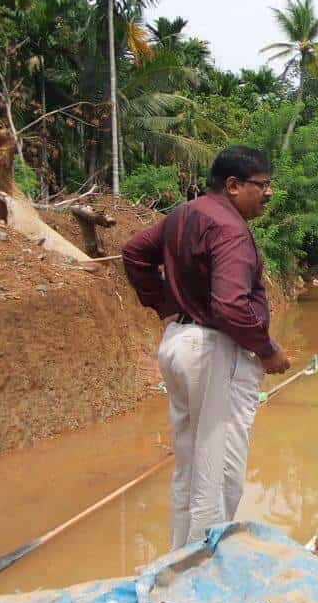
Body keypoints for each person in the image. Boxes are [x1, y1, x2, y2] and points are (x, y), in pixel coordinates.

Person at [122, 146, 291, 550]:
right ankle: (201, 578)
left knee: (191, 467)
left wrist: (167, 308)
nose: (268, 194)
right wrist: (267, 349)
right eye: (262, 186)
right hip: (213, 352)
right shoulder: (230, 229)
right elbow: (231, 304)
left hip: (180, 346)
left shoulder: (185, 214)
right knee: (217, 475)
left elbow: (134, 253)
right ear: (233, 186)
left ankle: (179, 563)